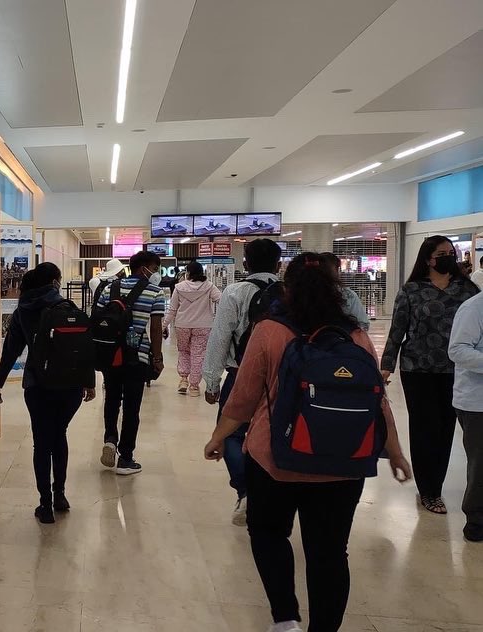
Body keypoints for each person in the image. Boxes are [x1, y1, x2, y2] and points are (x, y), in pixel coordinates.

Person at [204, 252, 411, 632]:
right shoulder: (356, 335)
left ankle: (285, 619)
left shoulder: (269, 330)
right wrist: (394, 451)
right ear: (337, 288)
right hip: (343, 462)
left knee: (268, 533)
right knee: (330, 552)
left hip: (275, 459)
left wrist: (218, 438)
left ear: (287, 286)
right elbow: (377, 399)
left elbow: (245, 398)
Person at [0, 263, 96, 524]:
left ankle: (45, 505)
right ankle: (60, 495)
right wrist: (89, 382)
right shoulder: (69, 308)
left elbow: (11, 353)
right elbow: (83, 348)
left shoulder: (23, 312)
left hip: (37, 387)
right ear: (55, 282)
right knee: (60, 435)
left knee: (42, 442)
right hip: (70, 387)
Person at [382, 235, 479, 514]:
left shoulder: (467, 290)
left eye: (451, 252)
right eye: (441, 253)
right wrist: (386, 365)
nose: (448, 256)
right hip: (417, 370)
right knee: (425, 429)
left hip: (455, 370)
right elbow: (397, 331)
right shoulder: (412, 290)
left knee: (446, 430)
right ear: (428, 259)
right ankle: (429, 491)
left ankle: (435, 481)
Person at [202, 238, 282, 525]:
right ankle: (271, 491)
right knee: (276, 433)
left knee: (231, 434)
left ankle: (246, 490)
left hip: (240, 375)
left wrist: (211, 381)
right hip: (282, 379)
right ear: (279, 264)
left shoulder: (235, 292)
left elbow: (220, 338)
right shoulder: (291, 293)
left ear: (245, 264)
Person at [98, 251, 166, 476]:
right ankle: (126, 458)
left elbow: (97, 320)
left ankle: (109, 439)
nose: (155, 274)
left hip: (110, 354)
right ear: (144, 267)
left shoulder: (109, 289)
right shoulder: (155, 292)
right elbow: (155, 328)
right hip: (137, 356)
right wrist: (157, 358)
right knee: (131, 407)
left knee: (112, 399)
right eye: (155, 269)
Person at [448, 292, 483, 542]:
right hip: (476, 402)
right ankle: (476, 521)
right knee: (481, 464)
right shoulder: (473, 308)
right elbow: (458, 350)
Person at [163, 261, 221, 397]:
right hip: (203, 325)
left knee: (183, 351)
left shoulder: (179, 287)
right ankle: (194, 387)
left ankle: (183, 380)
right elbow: (221, 299)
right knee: (198, 355)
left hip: (182, 325)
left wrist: (163, 325)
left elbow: (172, 309)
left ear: (187, 272)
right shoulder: (209, 286)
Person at [320, 252, 369, 331]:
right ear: (337, 271)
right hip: (342, 340)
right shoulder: (348, 295)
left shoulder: (301, 294)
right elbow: (363, 324)